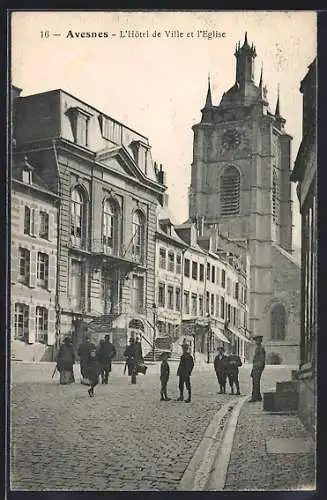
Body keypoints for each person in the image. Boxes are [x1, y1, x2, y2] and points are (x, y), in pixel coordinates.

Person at [249, 335, 266, 402]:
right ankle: (258, 397)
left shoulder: (261, 348)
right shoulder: (258, 348)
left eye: (257, 340)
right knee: (255, 382)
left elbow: (262, 360)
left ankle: (254, 397)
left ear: (260, 341)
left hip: (257, 368)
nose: (256, 342)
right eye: (256, 340)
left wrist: (258, 368)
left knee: (255, 383)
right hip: (256, 367)